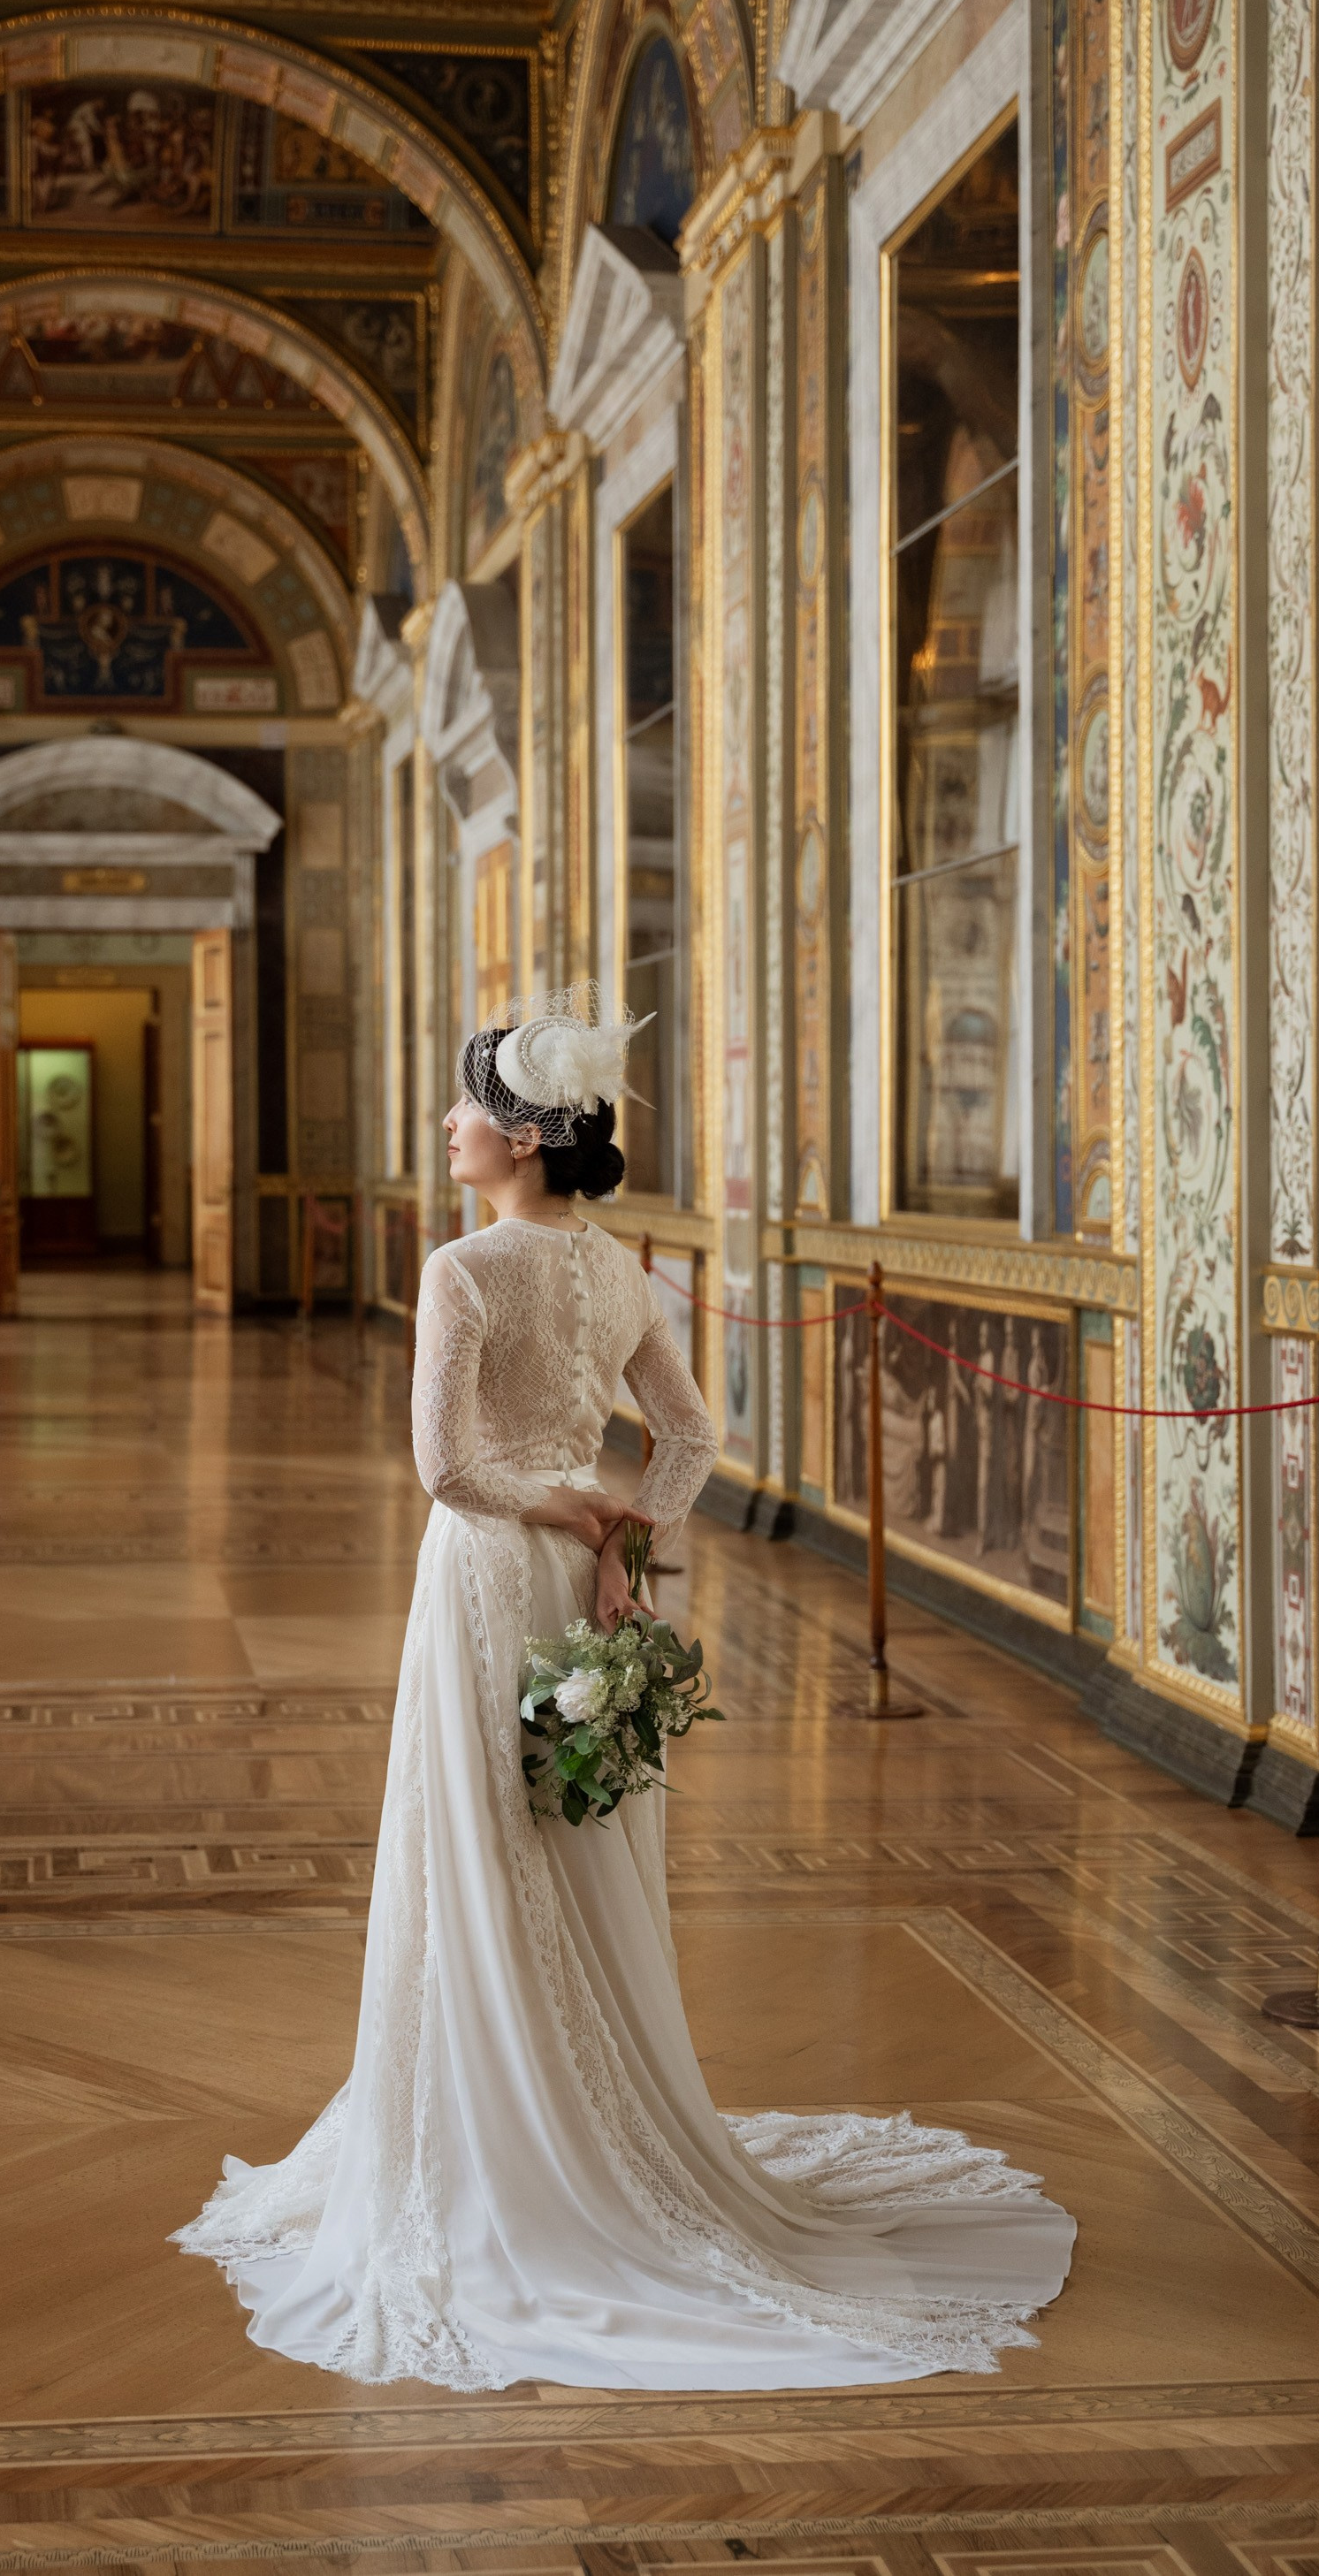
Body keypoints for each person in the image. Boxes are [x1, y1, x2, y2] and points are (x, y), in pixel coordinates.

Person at [175, 987, 1074, 2392]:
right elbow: (694, 1435)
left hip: (491, 1574)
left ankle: (493, 2146)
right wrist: (623, 1540)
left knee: (477, 1840)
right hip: (583, 1572)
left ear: (524, 1136)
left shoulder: (466, 1273)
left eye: (468, 1104)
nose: (450, 1124)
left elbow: (449, 1474)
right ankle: (578, 2123)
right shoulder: (617, 1271)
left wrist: (577, 1526)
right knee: (570, 1838)